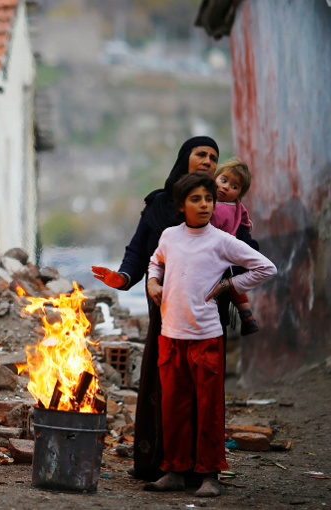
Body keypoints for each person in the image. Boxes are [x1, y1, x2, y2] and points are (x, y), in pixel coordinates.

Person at [90, 136, 259, 481]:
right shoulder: (158, 206)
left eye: (214, 157)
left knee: (205, 391)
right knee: (162, 387)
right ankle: (160, 464)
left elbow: (248, 257)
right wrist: (124, 278)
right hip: (164, 312)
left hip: (208, 315)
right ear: (186, 158)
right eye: (201, 154)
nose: (209, 161)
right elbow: (140, 253)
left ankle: (204, 470)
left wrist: (228, 278)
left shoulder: (222, 215)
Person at [143, 172, 276, 497]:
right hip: (171, 335)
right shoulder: (170, 236)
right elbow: (154, 262)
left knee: (208, 409)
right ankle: (174, 470)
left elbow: (265, 268)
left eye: (208, 199)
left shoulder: (222, 240)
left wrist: (230, 285)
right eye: (195, 199)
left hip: (205, 336)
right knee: (173, 406)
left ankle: (209, 475)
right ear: (180, 206)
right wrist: (153, 282)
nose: (204, 205)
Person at [211, 157, 259, 335]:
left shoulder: (229, 208)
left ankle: (246, 316)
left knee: (231, 283)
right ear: (214, 178)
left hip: (225, 256)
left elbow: (245, 225)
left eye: (234, 186)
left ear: (239, 195)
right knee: (233, 285)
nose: (225, 187)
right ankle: (247, 316)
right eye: (223, 180)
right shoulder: (205, 200)